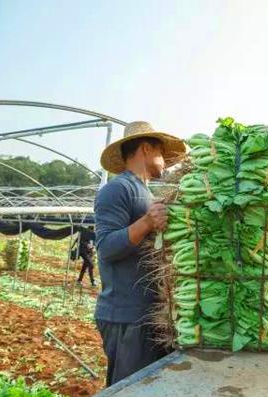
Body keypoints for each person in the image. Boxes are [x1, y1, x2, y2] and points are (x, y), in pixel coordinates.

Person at [94, 121, 186, 386]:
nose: (166, 163)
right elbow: (107, 247)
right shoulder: (117, 189)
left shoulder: (144, 191)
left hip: (146, 314)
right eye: (162, 154)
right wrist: (146, 222)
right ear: (146, 148)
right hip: (126, 316)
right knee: (129, 388)